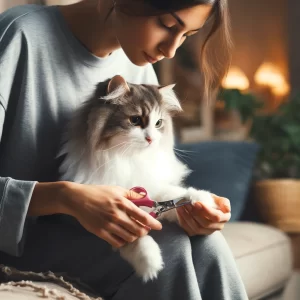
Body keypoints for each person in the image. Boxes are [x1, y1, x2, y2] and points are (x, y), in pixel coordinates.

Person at [0, 0, 248, 299]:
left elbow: (148, 185)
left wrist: (188, 210)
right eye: (168, 26)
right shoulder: (20, 34)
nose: (170, 50)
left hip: (93, 239)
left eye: (186, 36)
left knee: (209, 245)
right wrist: (64, 197)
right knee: (172, 251)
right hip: (20, 246)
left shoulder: (137, 65)